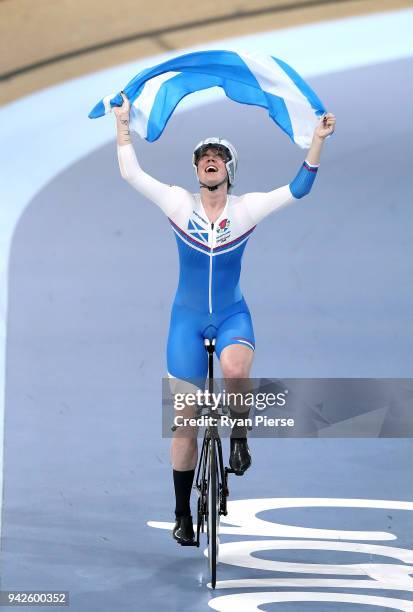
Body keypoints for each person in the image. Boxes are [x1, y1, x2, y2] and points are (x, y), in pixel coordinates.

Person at [114, 92, 336, 545]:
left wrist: (317, 139)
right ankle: (182, 515)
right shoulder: (179, 204)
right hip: (186, 322)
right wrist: (122, 124)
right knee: (185, 422)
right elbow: (131, 173)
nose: (209, 162)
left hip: (232, 315)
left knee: (235, 369)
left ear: (228, 171)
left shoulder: (245, 210)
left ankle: (239, 435)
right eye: (203, 158)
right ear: (196, 171)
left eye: (217, 157)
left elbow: (299, 188)